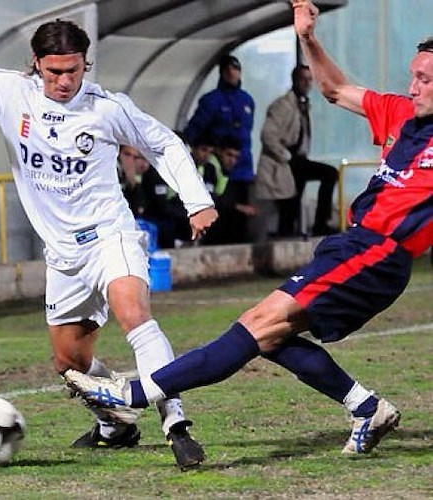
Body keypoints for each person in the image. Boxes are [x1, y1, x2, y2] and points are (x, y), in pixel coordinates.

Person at [64, 0, 433, 456]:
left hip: (377, 254)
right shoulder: (398, 112)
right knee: (273, 338)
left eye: (425, 79)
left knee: (257, 324)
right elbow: (336, 90)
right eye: (413, 74)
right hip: (352, 246)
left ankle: (131, 396)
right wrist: (308, 38)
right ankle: (365, 407)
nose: (412, 86)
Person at [0, 19, 218, 470]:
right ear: (36, 65)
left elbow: (161, 142)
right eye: (54, 72)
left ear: (85, 64)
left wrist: (197, 200)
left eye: (74, 71)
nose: (65, 81)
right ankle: (116, 425)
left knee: (134, 313)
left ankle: (177, 425)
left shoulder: (106, 107)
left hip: (110, 235)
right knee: (70, 364)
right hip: (63, 255)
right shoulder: (9, 94)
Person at [255, 64, 339, 237]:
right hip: (287, 160)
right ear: (295, 80)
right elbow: (267, 135)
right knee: (296, 197)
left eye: (310, 79)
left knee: (295, 197)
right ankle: (313, 227)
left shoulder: (302, 104)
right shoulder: (283, 105)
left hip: (297, 159)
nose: (307, 83)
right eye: (304, 79)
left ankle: (312, 227)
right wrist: (284, 155)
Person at [184, 54, 255, 242]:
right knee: (221, 210)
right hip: (219, 169)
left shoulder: (247, 100)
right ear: (222, 73)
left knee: (241, 218)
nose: (232, 73)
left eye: (236, 68)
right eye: (228, 69)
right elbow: (194, 130)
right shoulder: (211, 100)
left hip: (243, 169)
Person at [201, 136, 258, 245]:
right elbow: (210, 200)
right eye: (229, 155)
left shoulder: (226, 172)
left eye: (236, 157)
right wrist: (238, 207)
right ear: (219, 152)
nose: (232, 160)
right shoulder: (210, 168)